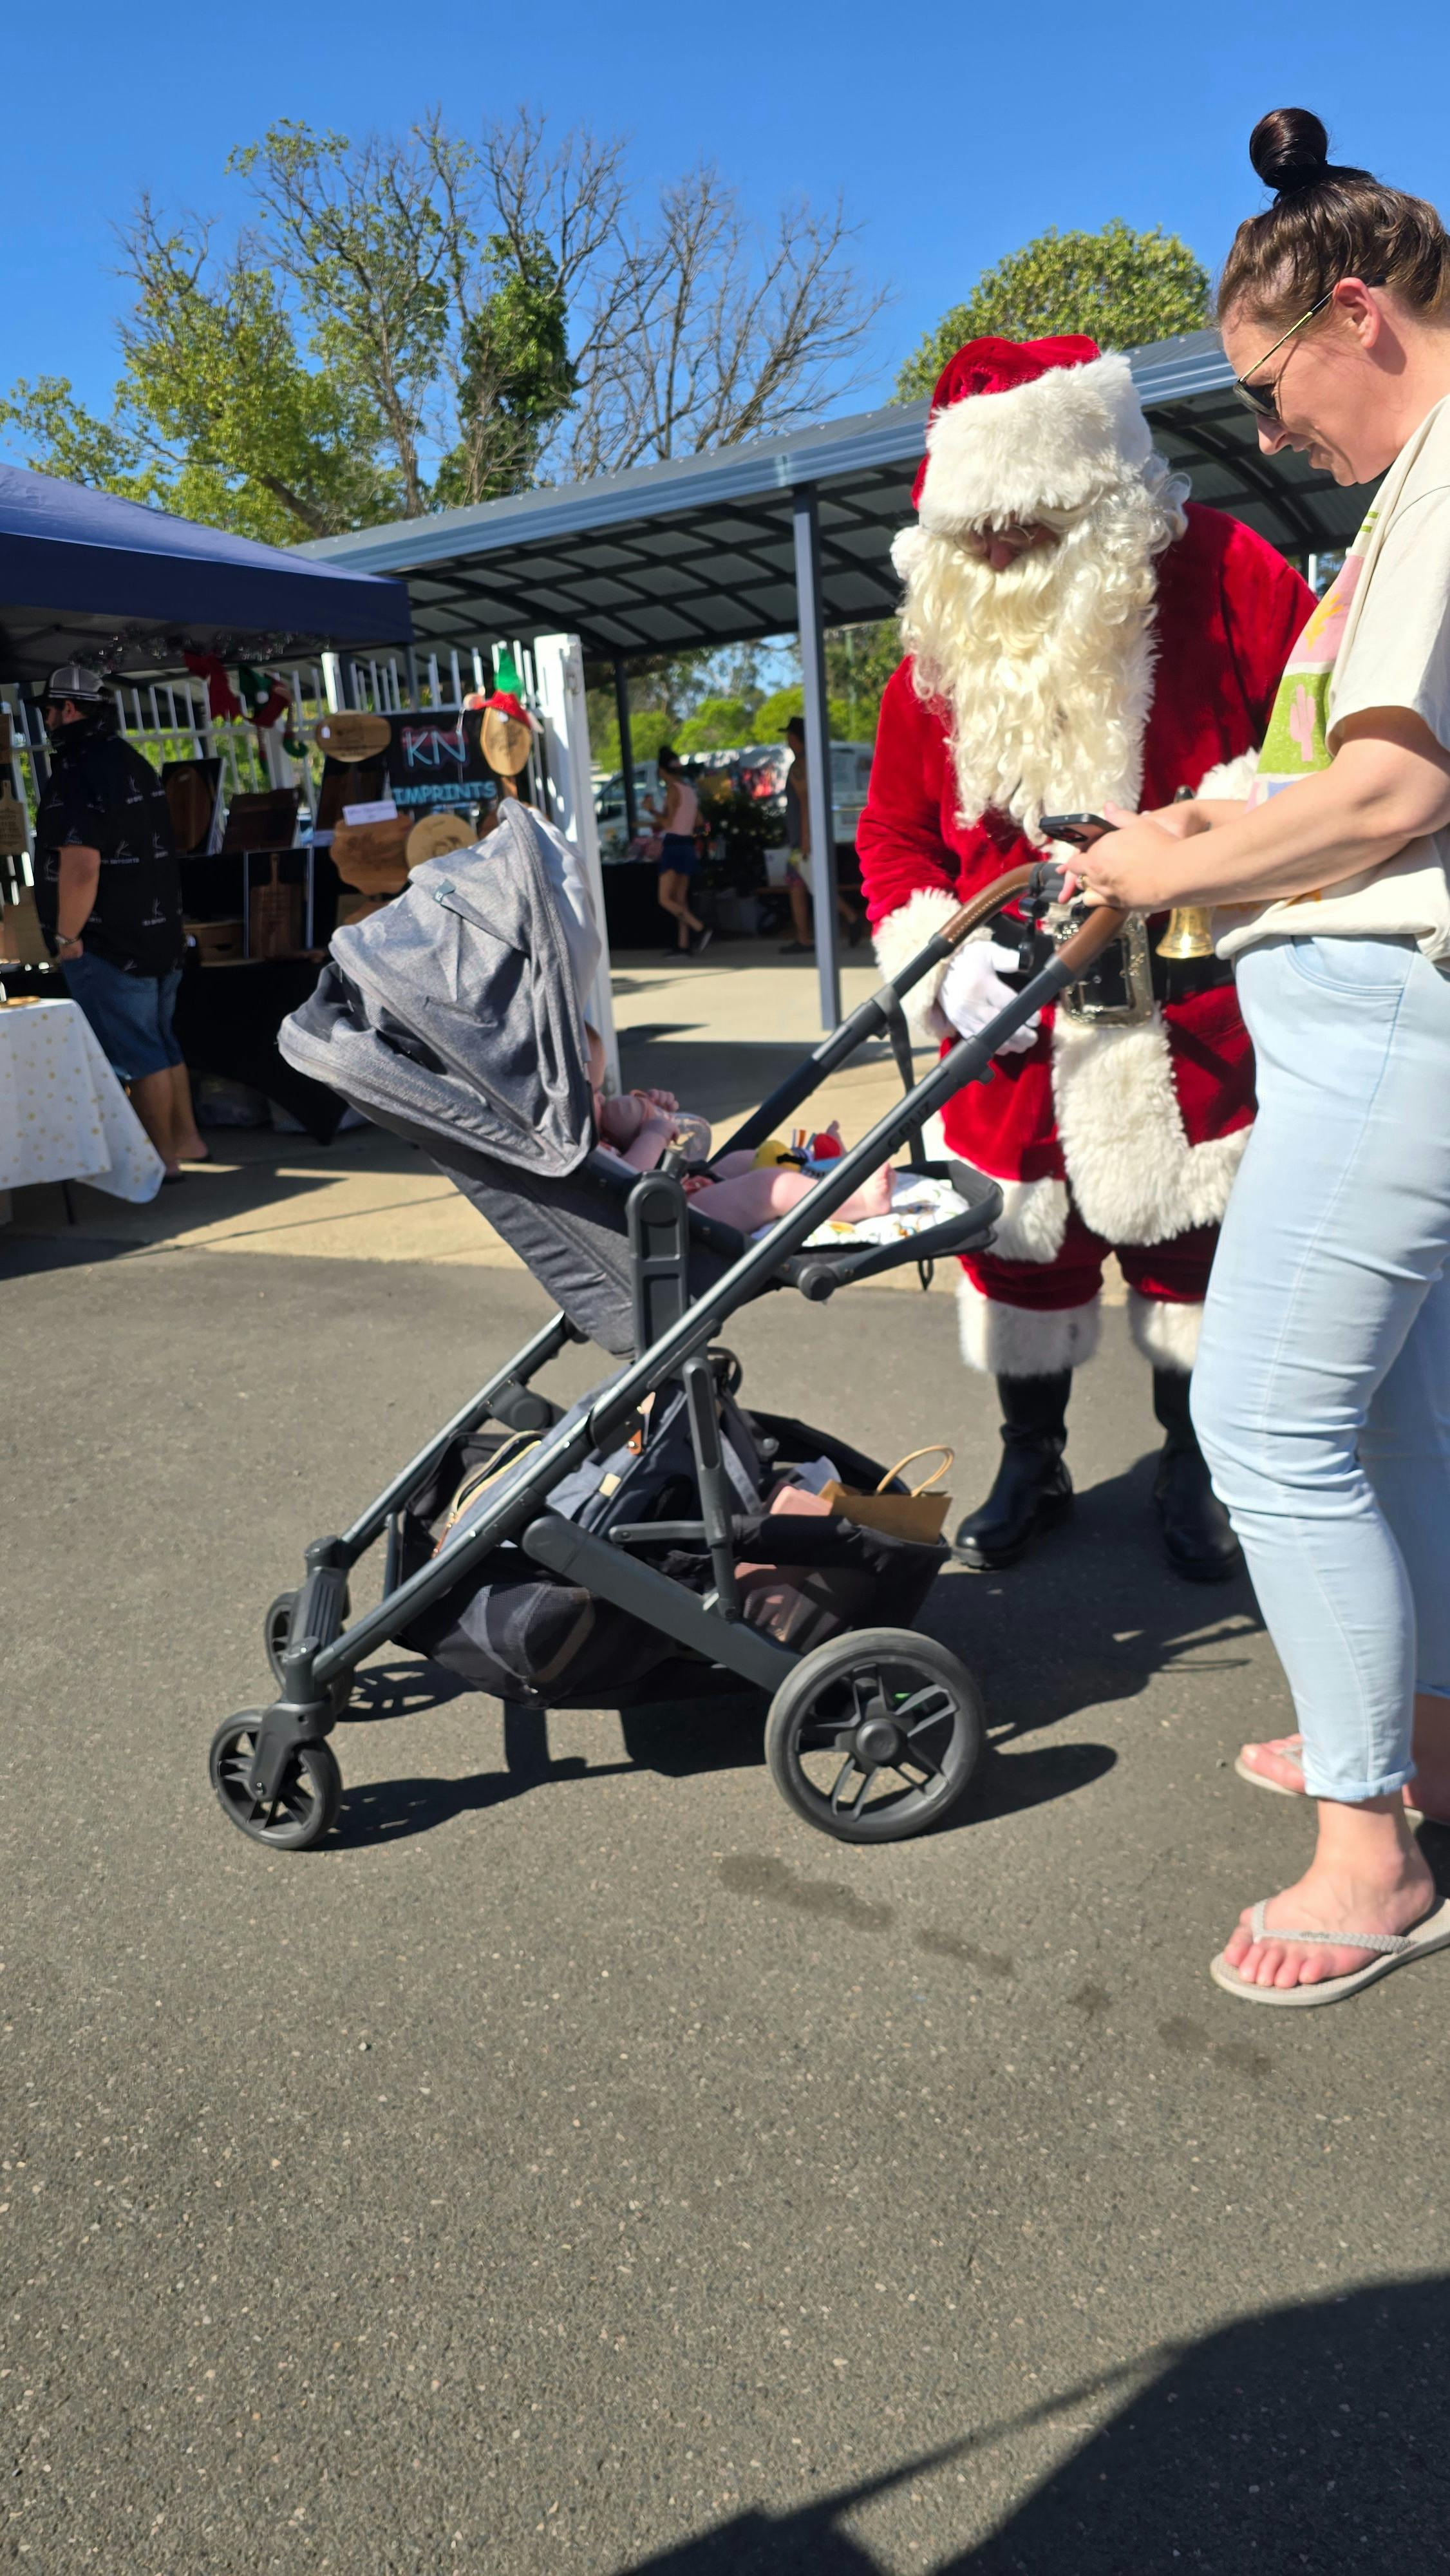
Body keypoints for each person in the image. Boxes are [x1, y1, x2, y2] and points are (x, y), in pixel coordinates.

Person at [1068, 108, 1450, 2004]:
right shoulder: (1409, 500)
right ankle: (1406, 1736)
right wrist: (1177, 846)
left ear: (1358, 311)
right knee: (1386, 1418)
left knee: (1265, 1420)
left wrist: (1167, 854)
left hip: (1395, 1014)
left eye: (1270, 386)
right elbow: (1332, 773)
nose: (1269, 434)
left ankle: (1365, 1849)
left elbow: (1386, 787)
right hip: (1374, 1012)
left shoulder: (1447, 481)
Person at [857, 336, 1314, 1578]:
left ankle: (1193, 1464)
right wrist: (934, 957)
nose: (996, 550)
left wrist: (1201, 838)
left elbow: (1318, 756)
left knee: (1196, 1264)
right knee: (1017, 1257)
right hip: (1007, 1027)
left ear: (1101, 501)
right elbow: (892, 835)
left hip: (1191, 1010)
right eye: (973, 530)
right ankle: (1032, 1460)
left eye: (1025, 523)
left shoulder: (1230, 576)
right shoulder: (934, 652)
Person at [33, 665, 200, 1177]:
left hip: (107, 940)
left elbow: (82, 866)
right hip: (157, 933)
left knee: (140, 1050)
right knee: (161, 1042)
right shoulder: (130, 760)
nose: (44, 720)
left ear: (67, 710)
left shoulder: (77, 770)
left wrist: (66, 936)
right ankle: (188, 1143)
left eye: (47, 710)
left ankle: (161, 1160)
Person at [778, 715, 863, 954]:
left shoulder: (799, 766)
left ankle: (811, 935)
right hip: (811, 836)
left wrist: (805, 838)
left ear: (795, 739)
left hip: (804, 839)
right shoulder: (814, 763)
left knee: (804, 884)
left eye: (789, 736)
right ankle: (838, 922)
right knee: (808, 884)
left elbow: (805, 802)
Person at [645, 746, 711, 955]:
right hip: (687, 845)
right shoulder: (689, 790)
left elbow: (668, 823)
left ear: (662, 771)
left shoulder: (673, 790)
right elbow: (699, 821)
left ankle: (700, 928)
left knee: (665, 898)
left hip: (674, 845)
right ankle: (683, 944)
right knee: (680, 899)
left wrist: (651, 811)